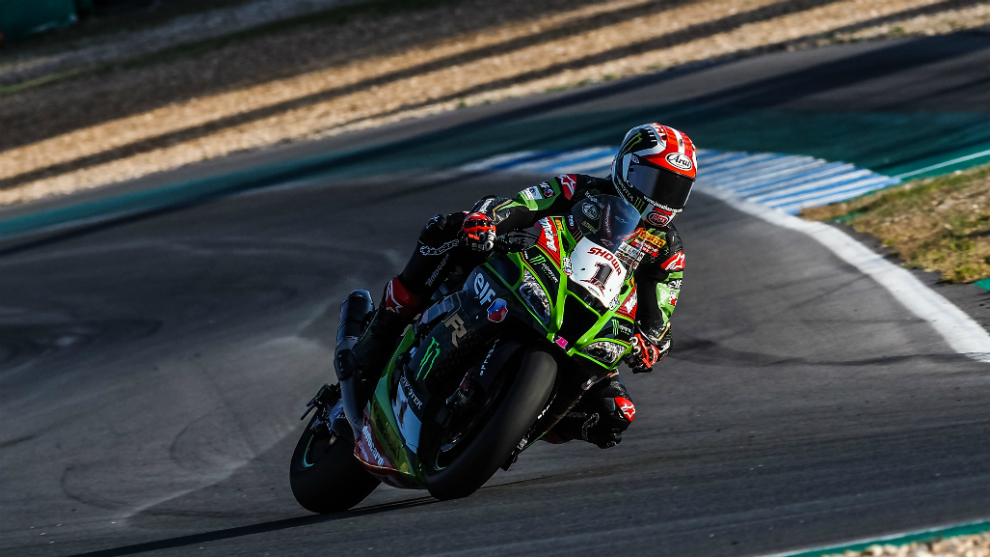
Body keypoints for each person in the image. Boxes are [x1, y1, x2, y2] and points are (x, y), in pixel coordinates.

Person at [337, 123, 696, 449]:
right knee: (447, 230)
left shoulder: (667, 249)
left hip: (589, 326)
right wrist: (487, 222)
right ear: (626, 169)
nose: (664, 198)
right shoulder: (580, 189)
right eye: (657, 182)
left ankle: (512, 425)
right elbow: (523, 204)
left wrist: (651, 342)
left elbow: (660, 310)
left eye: (676, 189)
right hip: (528, 274)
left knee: (613, 415)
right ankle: (378, 337)